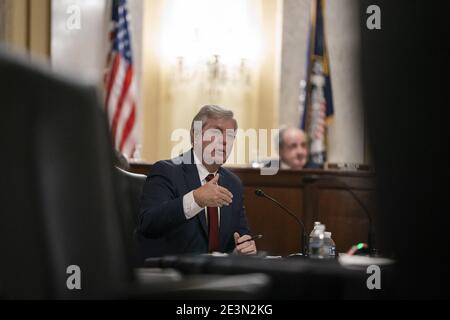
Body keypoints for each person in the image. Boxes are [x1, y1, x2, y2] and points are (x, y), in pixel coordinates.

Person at [139, 105, 257, 255]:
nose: (225, 141)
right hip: (175, 273)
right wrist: (195, 199)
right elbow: (149, 224)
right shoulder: (166, 171)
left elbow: (240, 238)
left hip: (218, 275)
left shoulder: (233, 183)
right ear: (195, 136)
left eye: (230, 136)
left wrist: (242, 249)